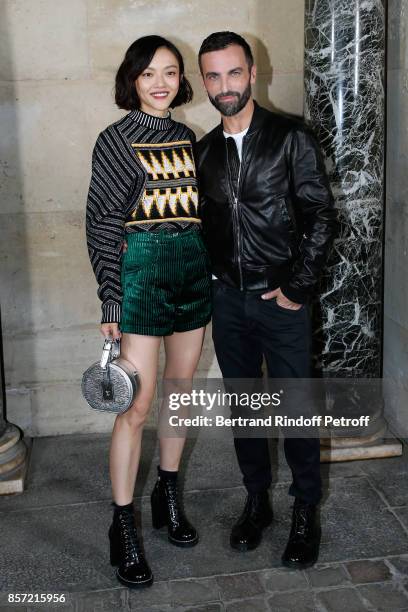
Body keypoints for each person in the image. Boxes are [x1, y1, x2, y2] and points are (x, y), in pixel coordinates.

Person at [196, 32, 336, 569]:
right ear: (204, 81)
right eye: (213, 75)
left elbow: (322, 215)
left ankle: (304, 510)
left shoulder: (290, 137)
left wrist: (299, 287)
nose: (224, 86)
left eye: (233, 73)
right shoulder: (203, 152)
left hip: (282, 302)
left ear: (253, 73)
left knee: (298, 407)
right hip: (229, 301)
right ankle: (257, 501)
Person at [86, 35, 211, 588]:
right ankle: (123, 524)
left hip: (189, 269)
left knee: (181, 390)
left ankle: (166, 493)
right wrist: (111, 298)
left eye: (170, 72)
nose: (160, 83)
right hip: (139, 274)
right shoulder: (114, 141)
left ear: (181, 79)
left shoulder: (188, 136)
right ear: (132, 80)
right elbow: (101, 225)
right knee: (136, 406)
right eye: (148, 74)